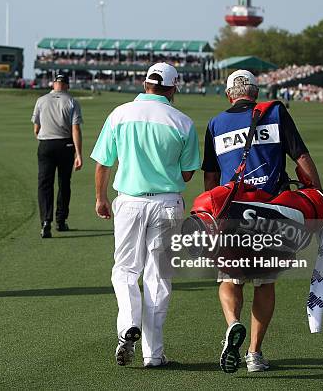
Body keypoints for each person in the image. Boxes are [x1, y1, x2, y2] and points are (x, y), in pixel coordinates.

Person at [202, 70, 322, 373]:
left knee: (230, 278)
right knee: (265, 282)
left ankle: (233, 324)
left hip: (232, 210)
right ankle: (254, 354)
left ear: (230, 94)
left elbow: (211, 178)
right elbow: (301, 158)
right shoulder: (276, 112)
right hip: (272, 211)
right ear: (255, 93)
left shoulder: (215, 124)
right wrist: (318, 197)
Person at [91, 63, 201, 368]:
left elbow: (103, 163)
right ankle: (153, 354)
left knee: (125, 270)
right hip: (167, 202)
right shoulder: (182, 121)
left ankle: (128, 325)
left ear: (145, 84)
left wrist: (101, 198)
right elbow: (189, 172)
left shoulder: (119, 114)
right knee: (158, 276)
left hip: (128, 201)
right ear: (172, 88)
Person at [31, 73, 83, 238]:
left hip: (45, 145)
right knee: (64, 183)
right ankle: (60, 221)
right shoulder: (72, 101)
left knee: (44, 184)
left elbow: (36, 129)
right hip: (65, 144)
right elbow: (75, 129)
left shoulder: (41, 100)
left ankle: (46, 221)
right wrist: (79, 154)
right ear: (67, 85)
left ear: (54, 84)